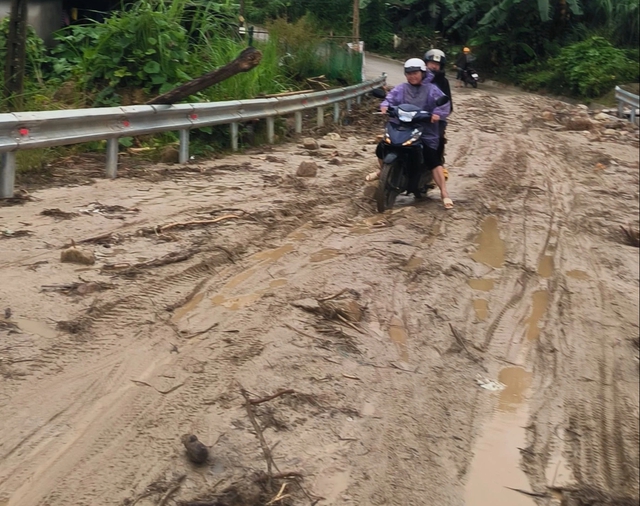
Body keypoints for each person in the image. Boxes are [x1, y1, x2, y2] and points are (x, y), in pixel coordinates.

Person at [369, 58, 453, 209]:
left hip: (424, 129)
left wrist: (436, 114)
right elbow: (390, 98)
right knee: (382, 147)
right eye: (408, 73)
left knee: (432, 158)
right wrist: (385, 106)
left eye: (415, 73)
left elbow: (443, 103)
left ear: (422, 73)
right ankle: (383, 172)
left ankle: (444, 193)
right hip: (401, 126)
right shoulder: (401, 88)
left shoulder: (431, 89)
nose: (412, 76)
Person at [423, 49, 451, 180]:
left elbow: (448, 104)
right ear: (426, 63)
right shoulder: (418, 77)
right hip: (417, 116)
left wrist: (438, 114)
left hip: (436, 119)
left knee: (438, 138)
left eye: (437, 64)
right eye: (431, 63)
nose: (434, 66)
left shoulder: (443, 82)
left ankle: (438, 165)